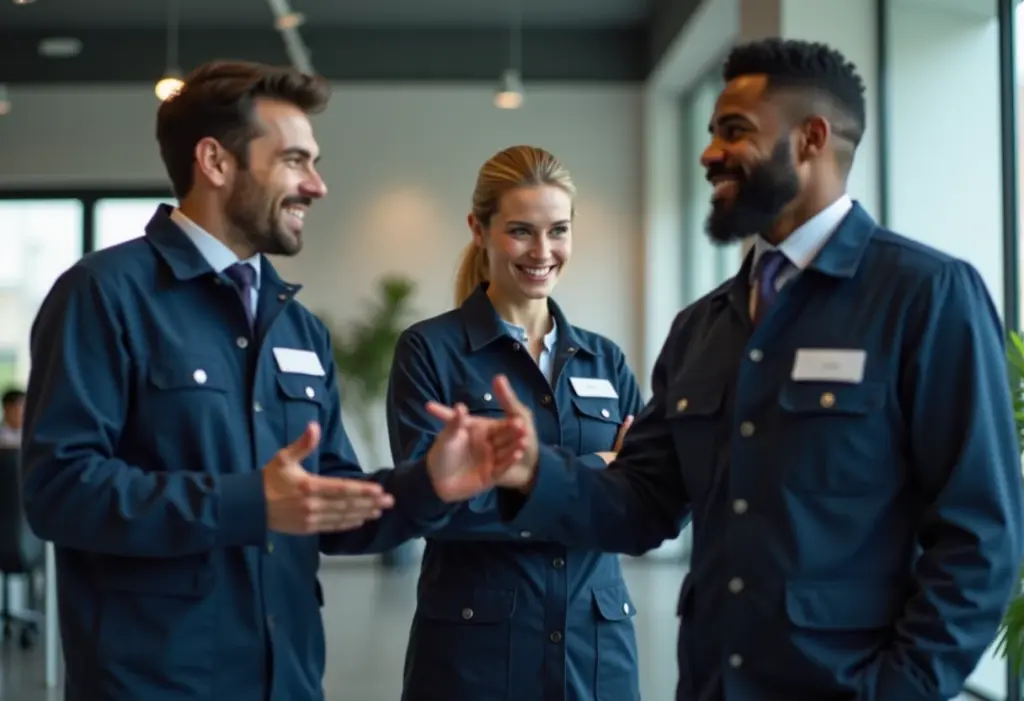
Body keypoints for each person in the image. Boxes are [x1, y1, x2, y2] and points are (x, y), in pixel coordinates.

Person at [437, 38, 1024, 701]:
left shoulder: (925, 295)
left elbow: (982, 537)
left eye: (734, 131)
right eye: (713, 131)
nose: (709, 152)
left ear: (810, 139)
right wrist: (532, 472)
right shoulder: (704, 325)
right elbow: (643, 501)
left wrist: (902, 687)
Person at [20, 60, 526, 701]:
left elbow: (329, 503)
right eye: (294, 160)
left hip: (285, 679)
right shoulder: (103, 295)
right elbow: (59, 491)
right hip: (153, 683)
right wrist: (248, 503)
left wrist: (428, 484)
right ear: (216, 161)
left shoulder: (298, 329)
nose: (316, 185)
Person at [387, 145, 649, 701]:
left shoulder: (606, 361)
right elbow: (436, 505)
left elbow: (645, 508)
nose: (542, 251)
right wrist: (593, 474)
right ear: (478, 230)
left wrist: (518, 482)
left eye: (558, 230)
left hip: (596, 657)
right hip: (475, 659)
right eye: (521, 231)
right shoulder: (431, 352)